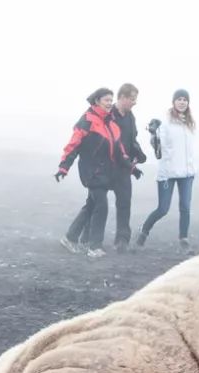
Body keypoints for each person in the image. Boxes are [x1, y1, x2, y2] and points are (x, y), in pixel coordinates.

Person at [56, 87, 142, 259]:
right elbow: (73, 145)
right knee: (101, 206)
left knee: (91, 206)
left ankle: (69, 238)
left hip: (105, 172)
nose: (110, 103)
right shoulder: (87, 120)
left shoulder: (111, 124)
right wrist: (64, 167)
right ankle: (95, 247)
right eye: (106, 100)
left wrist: (131, 167)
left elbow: (120, 150)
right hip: (91, 171)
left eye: (111, 100)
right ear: (97, 101)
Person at [78, 83, 147, 252]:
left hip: (124, 168)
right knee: (94, 203)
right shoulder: (108, 115)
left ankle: (122, 240)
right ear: (122, 98)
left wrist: (139, 153)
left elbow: (131, 141)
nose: (134, 102)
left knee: (124, 203)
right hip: (104, 168)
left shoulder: (131, 117)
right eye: (132, 99)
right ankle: (85, 237)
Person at [136, 89, 197, 254]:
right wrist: (153, 133)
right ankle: (144, 230)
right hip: (168, 173)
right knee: (163, 209)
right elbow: (157, 147)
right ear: (174, 102)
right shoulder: (165, 122)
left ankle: (183, 238)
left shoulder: (190, 123)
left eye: (185, 99)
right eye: (179, 99)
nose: (182, 102)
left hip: (187, 173)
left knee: (185, 206)